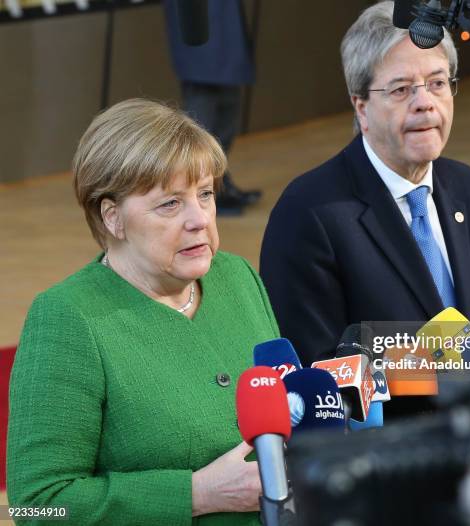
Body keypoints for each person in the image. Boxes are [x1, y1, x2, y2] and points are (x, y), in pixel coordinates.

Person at [260, 2, 470, 417]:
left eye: (438, 83)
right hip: (391, 460)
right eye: (401, 88)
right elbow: (312, 380)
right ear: (361, 107)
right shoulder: (310, 213)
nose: (425, 103)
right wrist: (423, 366)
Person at [7, 99, 278, 525]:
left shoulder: (236, 277)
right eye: (170, 204)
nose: (199, 219)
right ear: (112, 217)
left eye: (205, 194)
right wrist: (196, 494)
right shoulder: (67, 319)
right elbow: (37, 504)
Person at [164, 0, 262, 215]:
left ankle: (218, 183)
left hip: (225, 15)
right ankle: (194, 188)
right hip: (197, 14)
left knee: (229, 104)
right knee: (203, 106)